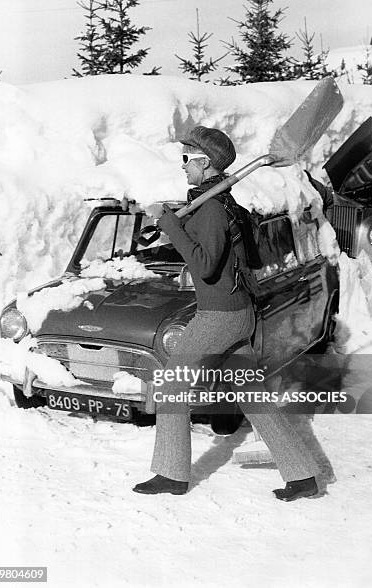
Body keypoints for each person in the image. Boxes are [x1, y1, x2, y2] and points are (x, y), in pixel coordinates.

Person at [133, 126, 320, 501]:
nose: (183, 167)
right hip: (239, 312)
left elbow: (204, 265)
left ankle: (172, 474)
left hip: (218, 315)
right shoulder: (219, 205)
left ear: (206, 164)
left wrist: (171, 225)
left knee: (171, 386)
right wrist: (177, 221)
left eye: (187, 160)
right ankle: (302, 476)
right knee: (253, 394)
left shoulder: (214, 210)